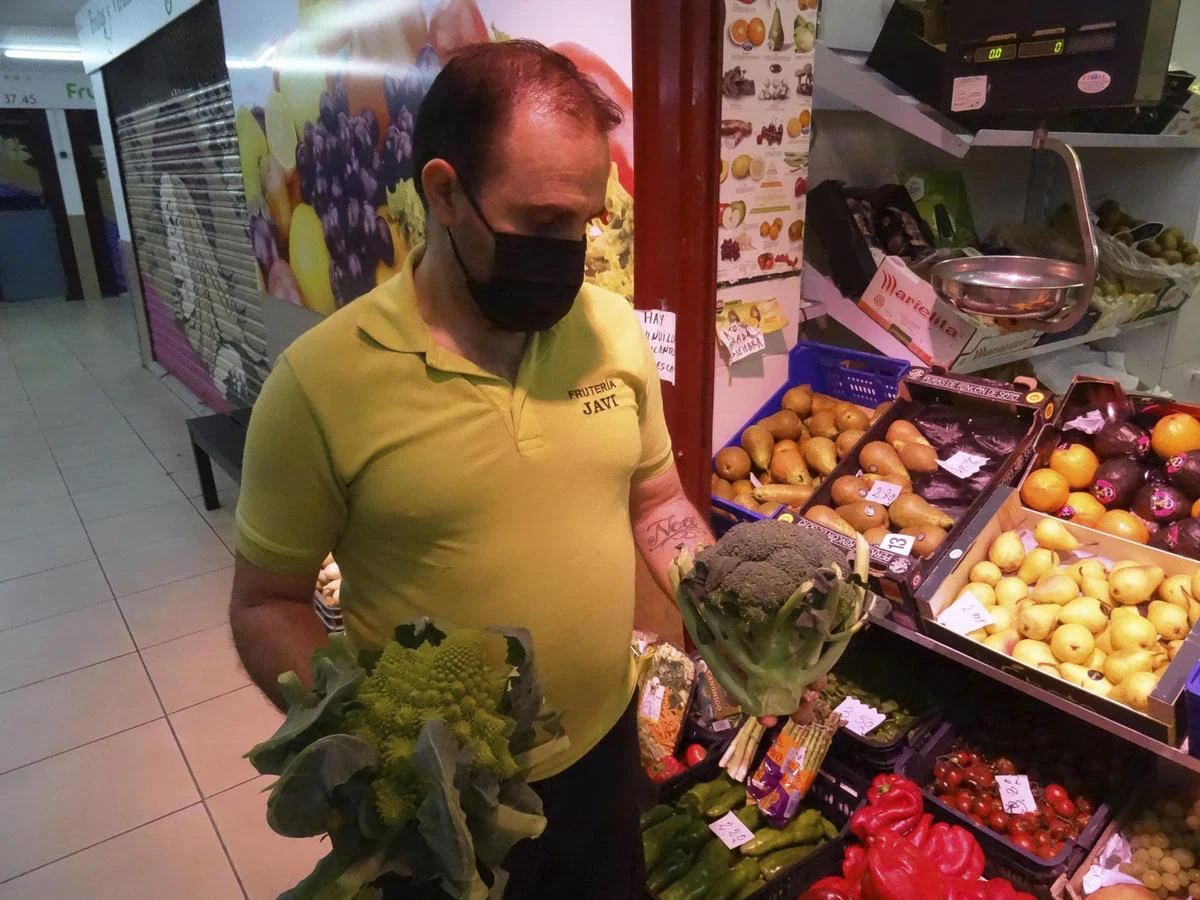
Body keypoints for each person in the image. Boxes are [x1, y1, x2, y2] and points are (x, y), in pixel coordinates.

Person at [230, 40, 711, 897]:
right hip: (438, 809)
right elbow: (268, 601)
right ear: (445, 192)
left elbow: (657, 500)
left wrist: (716, 603)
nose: (571, 250)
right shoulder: (320, 385)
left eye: (585, 220)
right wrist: (379, 746)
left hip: (601, 757)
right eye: (542, 223)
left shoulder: (616, 334)